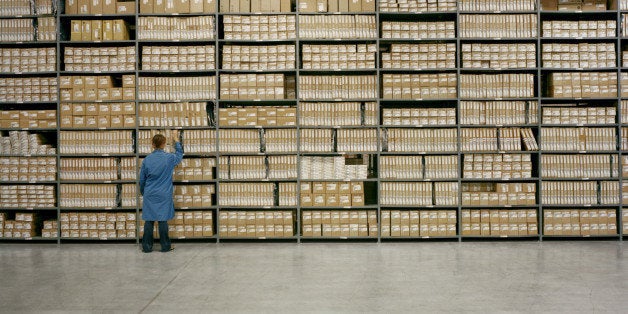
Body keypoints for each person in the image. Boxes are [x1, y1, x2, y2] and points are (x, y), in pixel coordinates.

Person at [140, 132, 183, 253]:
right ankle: (165, 246)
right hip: (164, 193)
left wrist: (144, 192)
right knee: (162, 220)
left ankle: (147, 247)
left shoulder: (147, 160)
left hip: (150, 193)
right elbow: (179, 155)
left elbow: (142, 179)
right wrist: (176, 140)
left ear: (152, 144)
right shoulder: (169, 158)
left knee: (149, 220)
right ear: (164, 144)